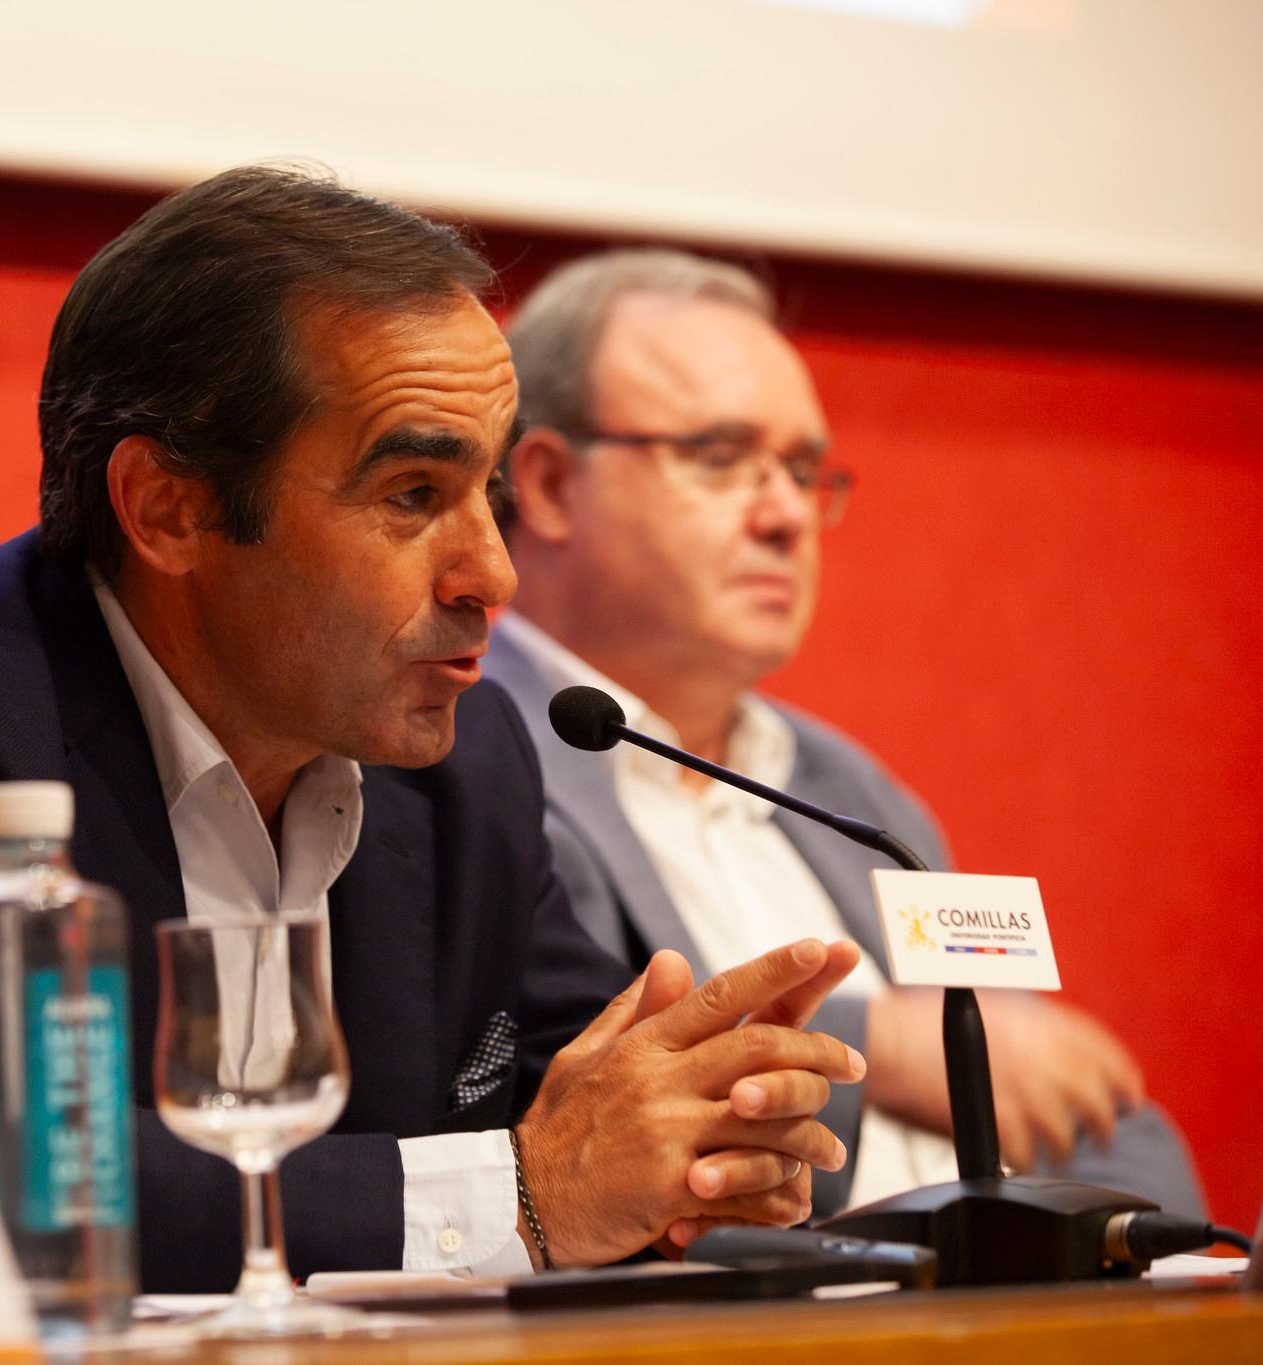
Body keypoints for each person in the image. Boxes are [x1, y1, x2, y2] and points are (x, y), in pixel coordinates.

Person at [0, 170, 872, 1290]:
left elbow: (576, 1101)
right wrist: (517, 1191)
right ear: (168, 509)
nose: (489, 573)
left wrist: (703, 1139)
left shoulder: (467, 762)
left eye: (486, 494)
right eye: (412, 497)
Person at [486, 248, 1206, 1219]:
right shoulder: (464, 762)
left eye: (799, 468)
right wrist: (885, 1049)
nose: (786, 514)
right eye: (718, 457)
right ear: (546, 486)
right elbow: (589, 1096)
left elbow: (1044, 1090)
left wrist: (1142, 1257)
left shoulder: (848, 790)